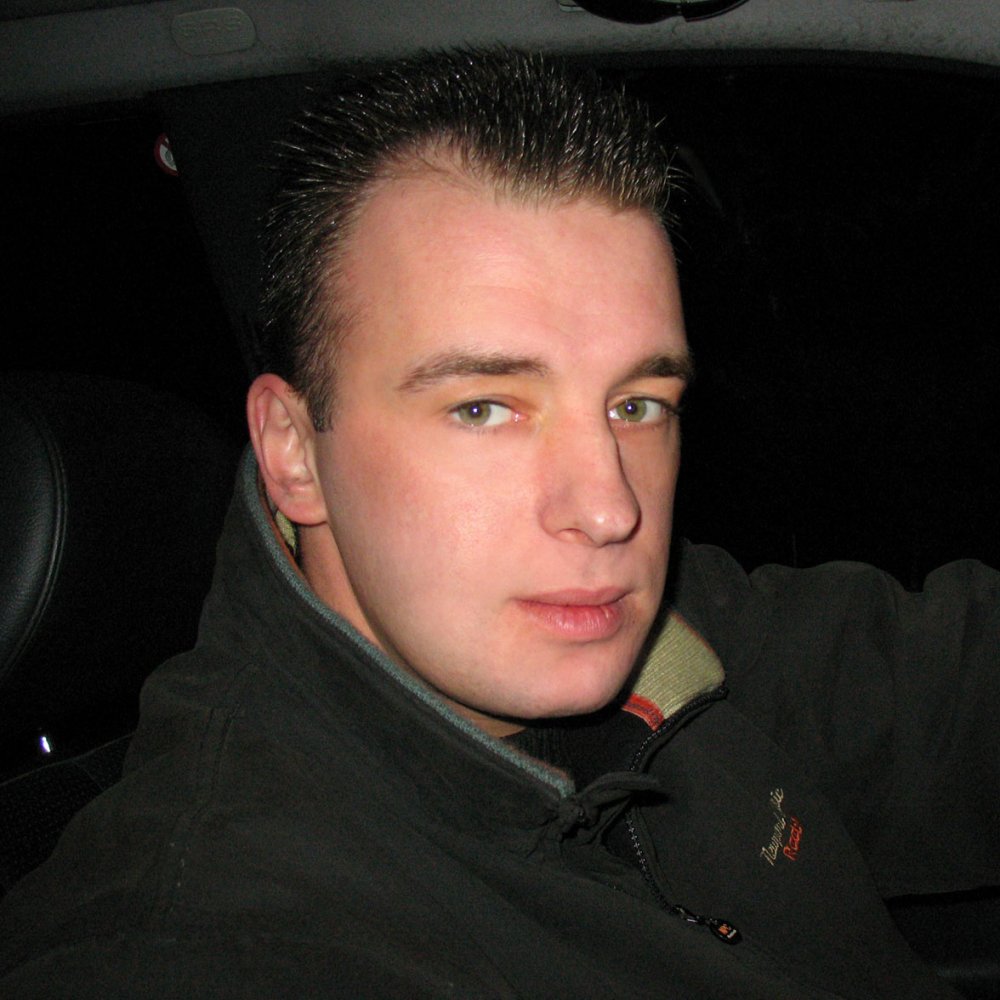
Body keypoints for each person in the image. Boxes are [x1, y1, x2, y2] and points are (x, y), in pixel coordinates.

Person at [0, 48, 997, 998]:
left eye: (636, 404)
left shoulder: (669, 635)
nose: (608, 508)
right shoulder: (201, 937)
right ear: (294, 452)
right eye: (483, 407)